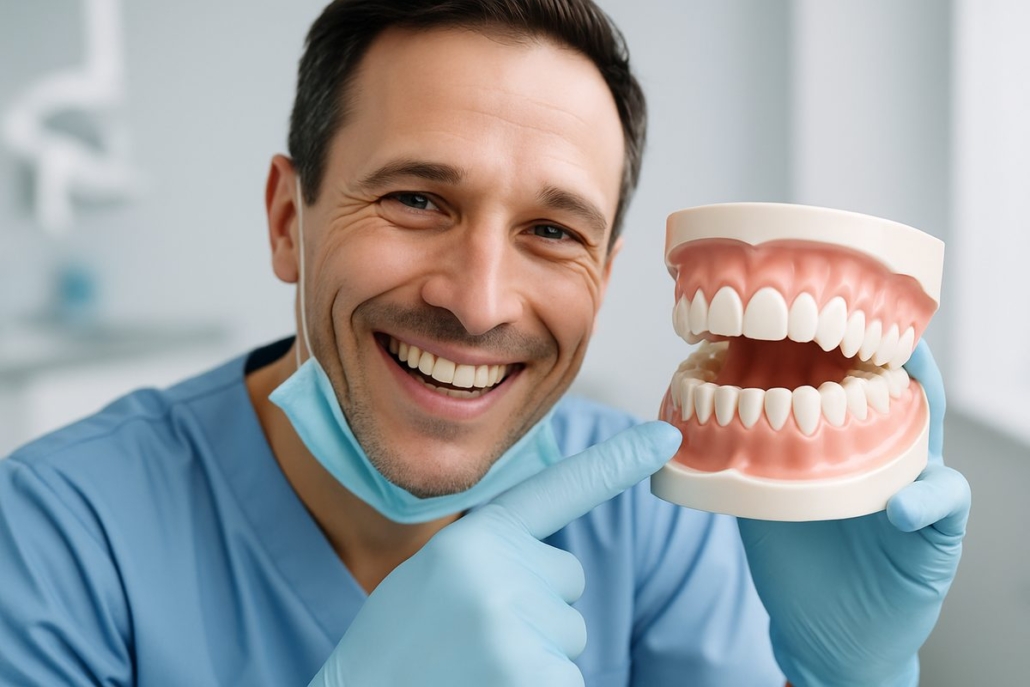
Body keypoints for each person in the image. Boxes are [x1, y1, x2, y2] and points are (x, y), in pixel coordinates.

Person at [0, 1, 970, 685]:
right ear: (287, 220)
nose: (477, 302)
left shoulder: (661, 528)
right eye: (416, 200)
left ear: (605, 269)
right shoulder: (55, 540)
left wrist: (853, 679)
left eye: (553, 232)